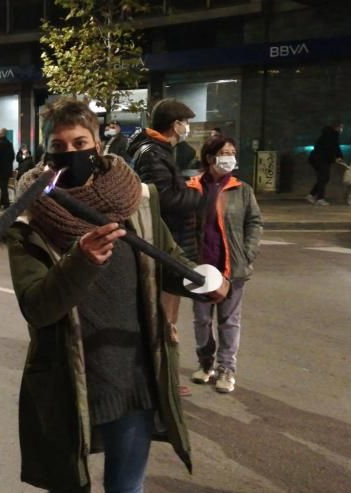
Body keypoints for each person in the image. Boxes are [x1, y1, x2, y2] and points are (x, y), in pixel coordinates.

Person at [6, 97, 229, 493]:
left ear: (98, 143)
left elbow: (166, 260)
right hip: (69, 379)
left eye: (80, 143)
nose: (71, 153)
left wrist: (202, 283)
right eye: (58, 147)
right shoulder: (30, 218)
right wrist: (82, 260)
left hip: (134, 377)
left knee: (126, 488)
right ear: (45, 153)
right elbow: (37, 307)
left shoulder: (135, 199)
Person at [127, 99, 205, 396]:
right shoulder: (152, 153)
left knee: (166, 317)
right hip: (165, 243)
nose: (187, 128)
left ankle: (163, 378)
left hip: (170, 240)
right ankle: (161, 382)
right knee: (163, 318)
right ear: (176, 124)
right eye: (186, 122)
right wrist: (199, 196)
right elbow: (162, 200)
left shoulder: (157, 150)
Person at [186, 137, 263, 394]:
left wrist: (248, 253)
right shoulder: (192, 187)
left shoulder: (242, 189)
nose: (229, 157)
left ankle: (226, 369)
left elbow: (254, 222)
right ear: (210, 158)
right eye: (224, 153)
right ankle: (205, 364)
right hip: (200, 267)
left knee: (229, 321)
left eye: (232, 152)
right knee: (201, 320)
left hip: (232, 266)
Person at [306, 123, 344, 206]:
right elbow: (330, 148)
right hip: (320, 159)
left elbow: (335, 147)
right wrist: (335, 158)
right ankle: (320, 198)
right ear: (336, 127)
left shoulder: (331, 135)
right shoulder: (331, 136)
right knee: (323, 177)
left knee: (324, 178)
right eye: (341, 127)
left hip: (319, 159)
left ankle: (311, 195)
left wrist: (339, 157)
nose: (342, 129)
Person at [0, 127, 15, 209]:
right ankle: (2, 202)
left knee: (3, 187)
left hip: (0, 170)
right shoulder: (9, 143)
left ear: (2, 134)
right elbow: (12, 156)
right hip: (7, 169)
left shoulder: (0, 143)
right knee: (3, 186)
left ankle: (6, 203)